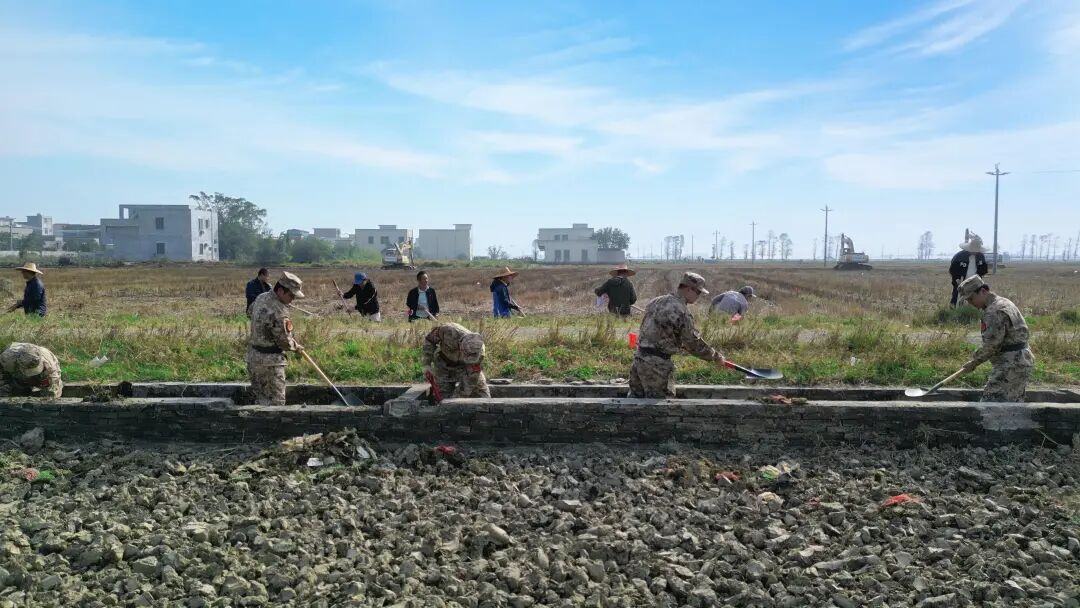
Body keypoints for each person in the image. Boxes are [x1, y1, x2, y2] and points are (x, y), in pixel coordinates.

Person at [629, 272, 727, 398]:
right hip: (656, 366)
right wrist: (715, 357)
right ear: (688, 289)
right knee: (662, 407)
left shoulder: (656, 301)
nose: (699, 296)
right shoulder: (681, 310)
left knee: (635, 404)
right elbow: (692, 343)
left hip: (639, 360)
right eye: (698, 292)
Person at [956, 275, 1034, 402]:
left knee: (991, 403)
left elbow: (991, 346)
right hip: (1021, 360)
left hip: (1011, 365)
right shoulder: (1004, 302)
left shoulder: (993, 312)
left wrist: (973, 363)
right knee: (1012, 404)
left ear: (983, 291)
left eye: (971, 299)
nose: (970, 303)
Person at [246, 272, 305, 406]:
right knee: (276, 405)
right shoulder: (279, 310)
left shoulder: (261, 297)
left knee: (261, 401)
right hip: (271, 364)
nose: (292, 300)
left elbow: (250, 312)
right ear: (280, 290)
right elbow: (284, 342)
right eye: (291, 295)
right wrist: (296, 346)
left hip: (253, 358)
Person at [421, 322, 490, 398]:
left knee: (482, 393)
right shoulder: (449, 331)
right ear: (460, 345)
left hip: (466, 368)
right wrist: (426, 363)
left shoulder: (479, 353)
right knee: (443, 396)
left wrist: (457, 398)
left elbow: (471, 378)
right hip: (444, 365)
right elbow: (430, 340)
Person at [949, 233, 988, 307]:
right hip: (960, 281)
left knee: (974, 299)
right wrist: (956, 280)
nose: (975, 251)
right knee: (957, 297)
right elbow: (953, 269)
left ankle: (971, 312)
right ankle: (954, 310)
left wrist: (979, 278)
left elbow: (983, 270)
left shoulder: (981, 257)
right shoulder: (959, 256)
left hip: (975, 282)